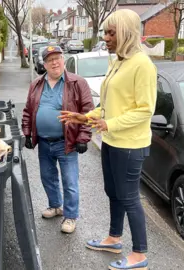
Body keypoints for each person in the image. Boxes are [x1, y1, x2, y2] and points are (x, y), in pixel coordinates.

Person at [59, 9, 156, 270]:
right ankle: (114, 238)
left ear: (126, 33)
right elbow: (108, 105)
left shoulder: (142, 64)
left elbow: (145, 109)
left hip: (131, 145)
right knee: (112, 192)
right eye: (105, 32)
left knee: (129, 197)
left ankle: (139, 254)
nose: (106, 37)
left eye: (111, 32)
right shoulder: (118, 62)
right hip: (111, 141)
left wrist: (109, 123)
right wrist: (84, 117)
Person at [22, 45, 94, 234]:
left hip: (66, 141)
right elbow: (28, 111)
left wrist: (83, 137)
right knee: (47, 177)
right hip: (44, 142)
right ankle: (55, 206)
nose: (55, 62)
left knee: (70, 181)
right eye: (50, 60)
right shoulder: (37, 84)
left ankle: (70, 216)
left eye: (58, 58)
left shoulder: (77, 83)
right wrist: (27, 133)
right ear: (44, 64)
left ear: (63, 60)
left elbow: (88, 112)